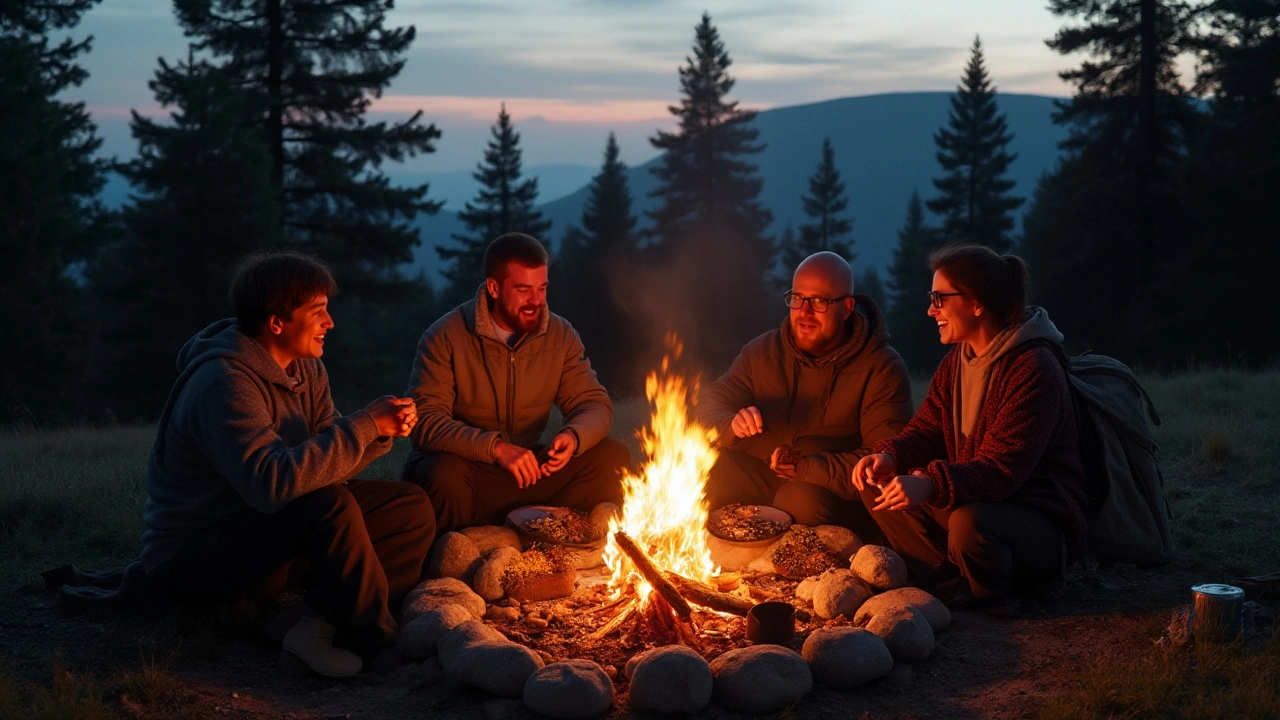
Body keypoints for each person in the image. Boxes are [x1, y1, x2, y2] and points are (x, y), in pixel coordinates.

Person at [140, 252, 435, 679]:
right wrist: (365, 423)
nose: (330, 322)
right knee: (329, 506)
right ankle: (372, 639)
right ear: (277, 322)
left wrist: (378, 433)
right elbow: (271, 483)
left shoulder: (307, 368)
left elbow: (331, 465)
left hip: (266, 531)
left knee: (410, 506)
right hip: (194, 556)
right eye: (318, 312)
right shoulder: (223, 382)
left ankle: (314, 622)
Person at [852, 244, 1087, 616]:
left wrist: (929, 483)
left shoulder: (1033, 368)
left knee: (968, 523)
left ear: (977, 303)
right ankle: (951, 576)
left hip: (1034, 523)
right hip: (977, 500)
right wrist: (889, 455)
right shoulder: (957, 362)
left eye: (939, 299)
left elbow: (1002, 471)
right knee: (877, 486)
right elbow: (928, 429)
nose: (931, 310)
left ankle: (994, 593)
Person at [402, 232, 629, 534]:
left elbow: (594, 404)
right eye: (523, 290)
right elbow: (425, 421)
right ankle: (457, 558)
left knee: (612, 455)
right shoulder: (445, 336)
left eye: (542, 288)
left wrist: (574, 437)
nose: (536, 301)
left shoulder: (560, 335)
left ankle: (563, 537)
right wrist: (495, 448)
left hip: (528, 470)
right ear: (494, 288)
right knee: (442, 473)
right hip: (470, 470)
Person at [698, 251, 914, 539]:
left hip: (826, 491)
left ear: (847, 307)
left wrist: (805, 468)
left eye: (819, 302)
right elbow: (707, 407)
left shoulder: (880, 367)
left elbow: (883, 458)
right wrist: (730, 424)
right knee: (705, 472)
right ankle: (708, 563)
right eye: (797, 298)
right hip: (761, 474)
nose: (805, 312)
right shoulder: (762, 353)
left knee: (799, 502)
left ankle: (800, 577)